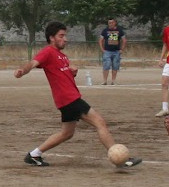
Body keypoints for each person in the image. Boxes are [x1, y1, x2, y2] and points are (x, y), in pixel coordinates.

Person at [16, 21, 141, 169]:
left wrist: (72, 73)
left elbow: (62, 76)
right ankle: (120, 159)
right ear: (52, 38)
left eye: (65, 35)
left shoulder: (62, 56)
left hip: (67, 99)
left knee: (67, 133)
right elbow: (33, 62)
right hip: (69, 99)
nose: (65, 39)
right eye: (61, 36)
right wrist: (23, 71)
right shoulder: (48, 52)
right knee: (99, 122)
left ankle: (34, 155)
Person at [99, 17, 125, 85]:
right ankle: (105, 81)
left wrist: (121, 49)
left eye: (112, 23)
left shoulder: (119, 30)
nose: (110, 24)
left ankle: (113, 81)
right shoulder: (105, 30)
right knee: (106, 65)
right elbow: (101, 40)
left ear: (115, 23)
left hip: (116, 51)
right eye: (109, 23)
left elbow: (124, 40)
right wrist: (102, 49)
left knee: (115, 66)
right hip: (107, 51)